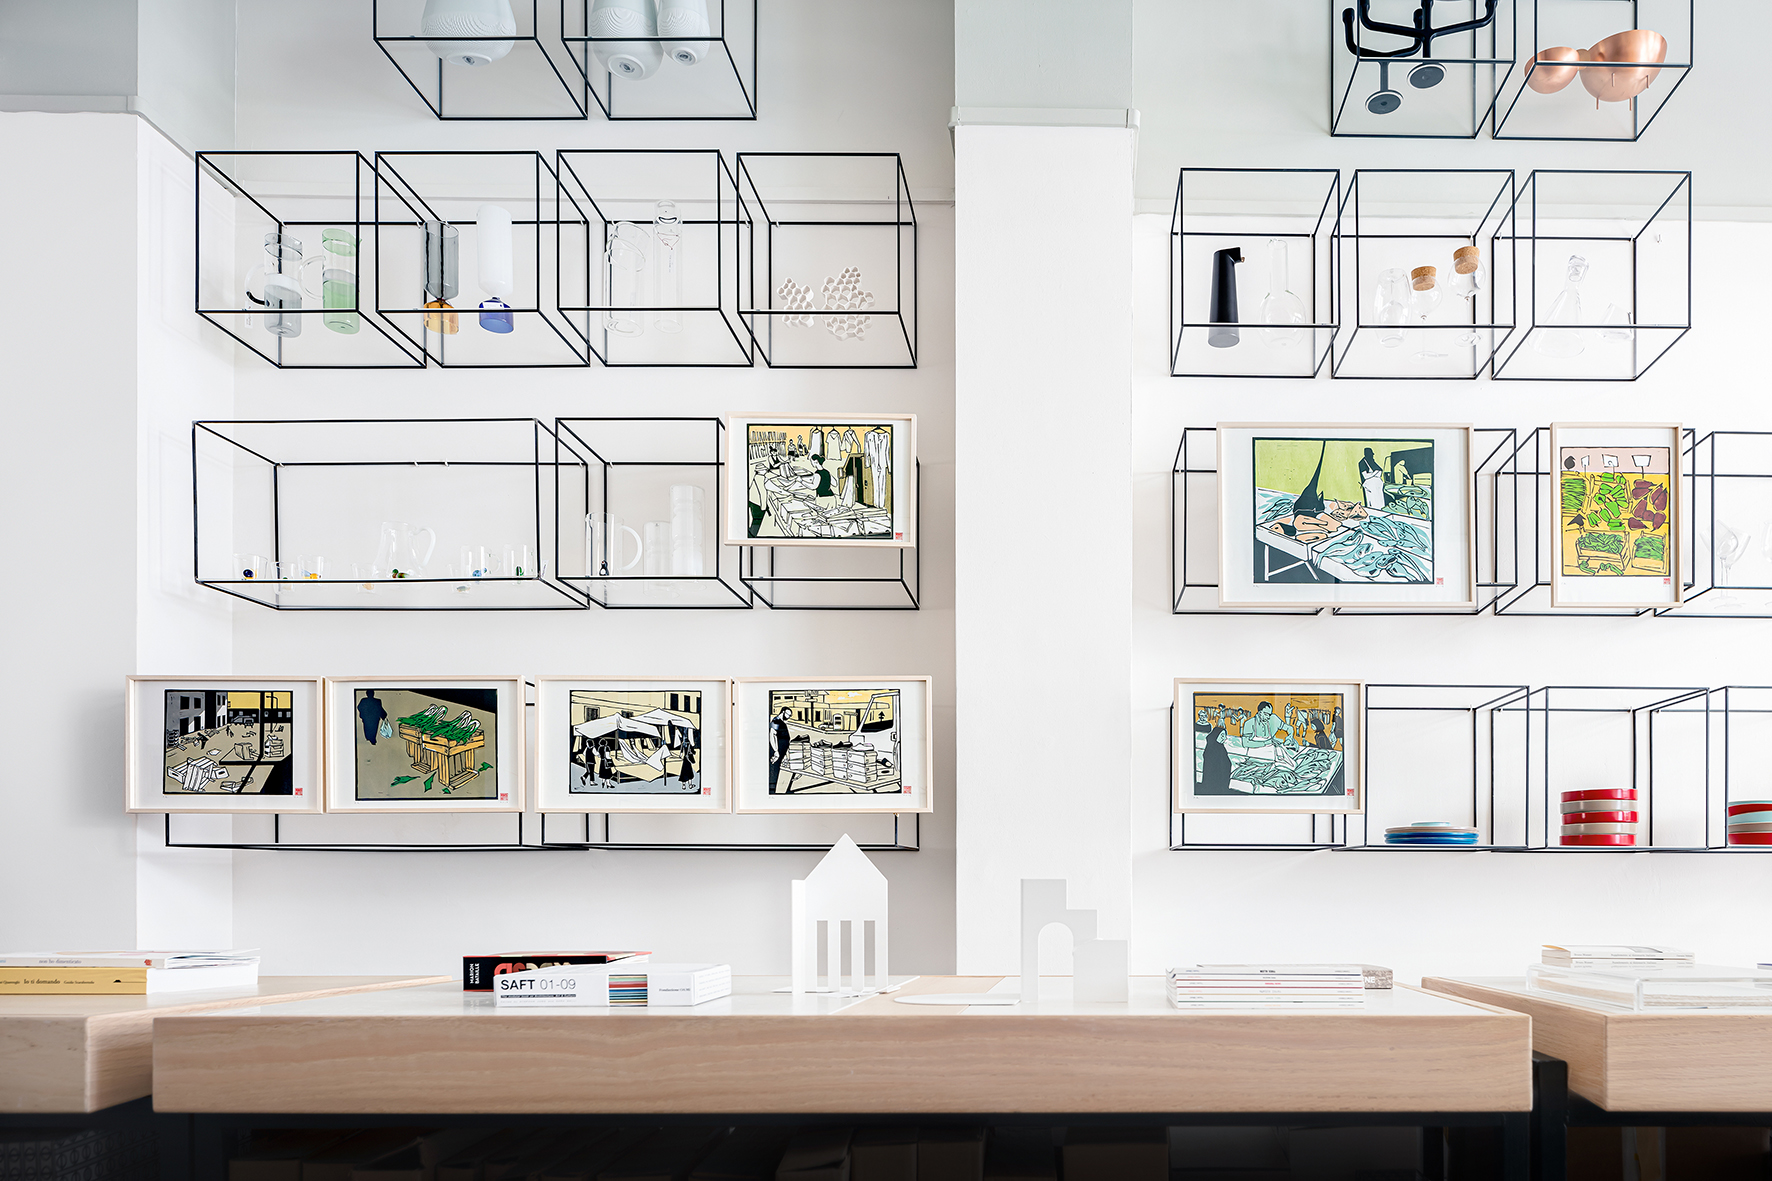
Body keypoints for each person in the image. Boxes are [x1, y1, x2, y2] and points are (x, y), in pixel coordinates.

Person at [768, 706, 794, 793]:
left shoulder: (782, 723)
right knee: (773, 773)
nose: (788, 717)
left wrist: (785, 755)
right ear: (783, 712)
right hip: (776, 754)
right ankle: (771, 792)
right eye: (788, 714)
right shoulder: (776, 721)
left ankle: (773, 791)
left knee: (776, 773)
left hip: (780, 754)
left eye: (790, 715)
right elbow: (772, 735)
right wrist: (776, 751)